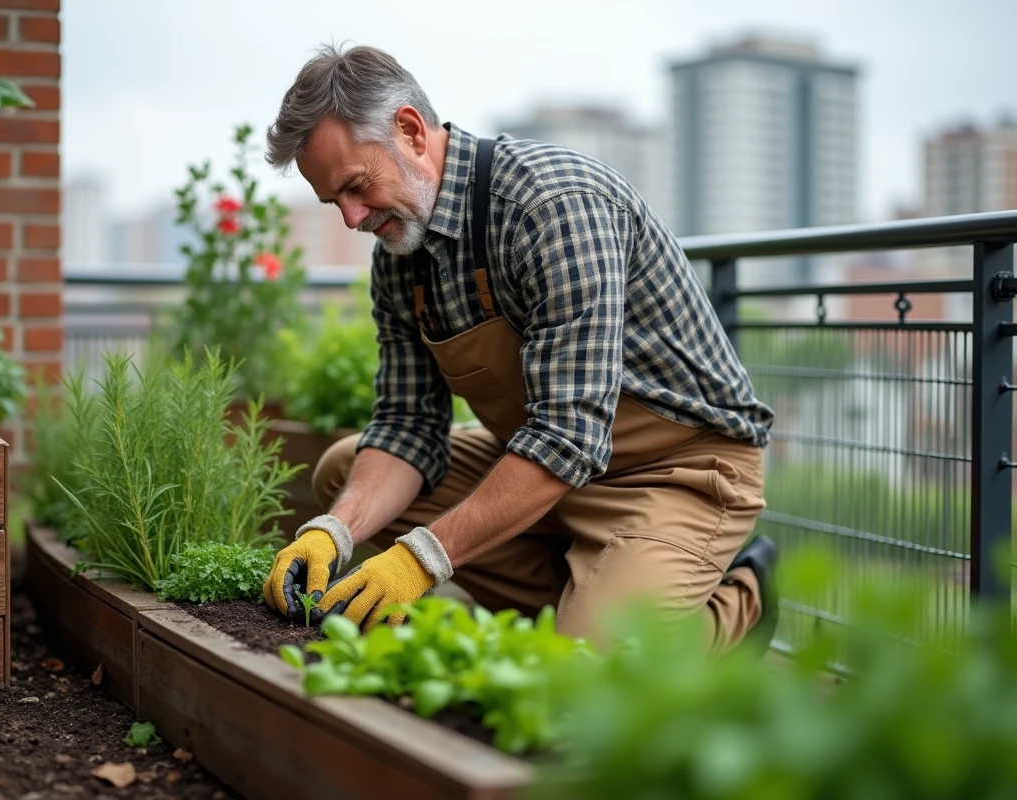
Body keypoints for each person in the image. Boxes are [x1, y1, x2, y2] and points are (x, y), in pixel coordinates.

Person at [261, 43, 779, 655]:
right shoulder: (402, 258)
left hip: (677, 472)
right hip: (549, 466)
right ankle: (593, 596)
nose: (351, 218)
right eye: (334, 202)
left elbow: (568, 434)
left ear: (409, 130)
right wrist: (333, 533)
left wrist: (420, 559)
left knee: (591, 669)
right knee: (343, 471)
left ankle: (742, 595)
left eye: (355, 186)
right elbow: (407, 426)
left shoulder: (551, 208)